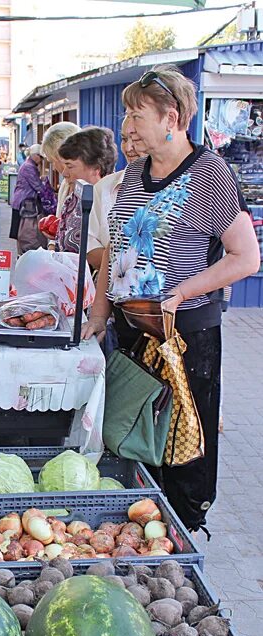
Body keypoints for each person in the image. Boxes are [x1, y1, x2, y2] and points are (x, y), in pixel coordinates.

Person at [82, 64, 260, 532]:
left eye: (138, 116)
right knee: (135, 435)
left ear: (173, 118)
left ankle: (183, 530)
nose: (129, 128)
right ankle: (143, 524)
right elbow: (117, 248)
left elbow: (245, 258)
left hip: (183, 339)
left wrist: (180, 292)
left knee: (184, 443)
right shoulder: (134, 175)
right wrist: (99, 313)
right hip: (130, 333)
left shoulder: (209, 176)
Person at [87, 117, 146, 272]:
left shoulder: (178, 192)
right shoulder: (103, 188)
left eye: (137, 139)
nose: (128, 148)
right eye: (124, 139)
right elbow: (90, 247)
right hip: (112, 291)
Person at [55, 127, 118, 259]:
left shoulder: (113, 202)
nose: (64, 173)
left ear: (96, 168)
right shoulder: (73, 198)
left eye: (70, 166)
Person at [40, 122, 80, 250]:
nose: (55, 168)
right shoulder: (65, 184)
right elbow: (60, 222)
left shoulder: (97, 186)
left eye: (52, 161)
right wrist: (52, 246)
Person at [9, 144, 56, 254]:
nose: (41, 160)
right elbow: (37, 186)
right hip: (25, 202)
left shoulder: (28, 165)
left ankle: (23, 252)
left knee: (22, 229)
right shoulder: (29, 167)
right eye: (40, 157)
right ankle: (24, 252)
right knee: (26, 231)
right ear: (35, 155)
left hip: (22, 201)